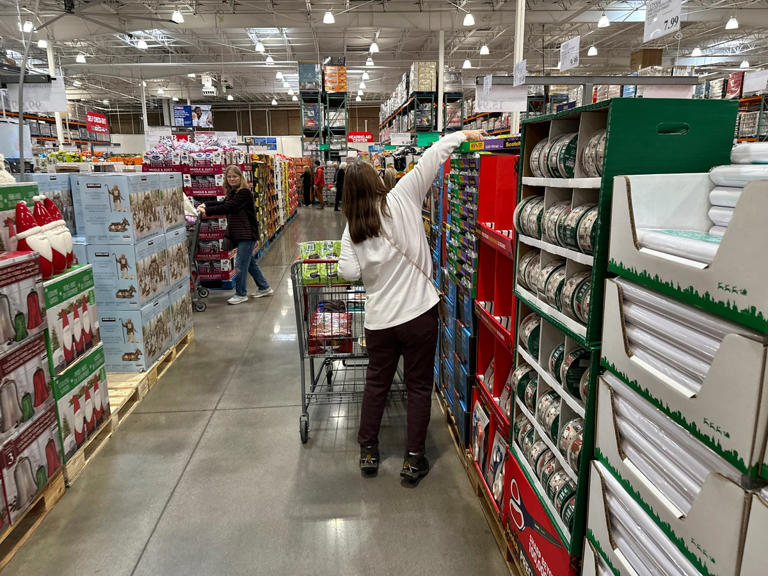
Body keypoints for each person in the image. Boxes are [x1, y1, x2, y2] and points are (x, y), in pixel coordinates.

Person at [338, 129, 486, 484]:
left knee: (377, 384)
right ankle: (413, 459)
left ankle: (369, 450)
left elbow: (346, 272)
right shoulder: (403, 196)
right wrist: (465, 133)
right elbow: (434, 155)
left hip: (380, 322)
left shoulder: (352, 229)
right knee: (419, 386)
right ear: (377, 181)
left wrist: (372, 273)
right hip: (420, 314)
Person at [196, 165, 273, 305]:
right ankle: (264, 287)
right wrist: (205, 204)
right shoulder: (233, 192)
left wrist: (207, 211)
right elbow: (224, 203)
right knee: (249, 264)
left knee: (240, 265)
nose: (232, 179)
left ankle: (241, 293)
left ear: (240, 177)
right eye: (229, 176)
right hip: (240, 233)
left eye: (235, 176)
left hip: (247, 234)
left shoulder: (244, 193)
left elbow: (228, 207)